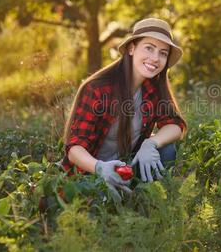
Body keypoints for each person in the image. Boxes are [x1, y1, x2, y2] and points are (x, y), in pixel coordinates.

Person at [61, 18, 187, 200]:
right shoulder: (97, 88)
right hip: (91, 171)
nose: (155, 58)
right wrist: (100, 168)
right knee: (95, 210)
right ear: (131, 48)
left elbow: (175, 125)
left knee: (166, 149)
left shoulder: (153, 89)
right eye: (149, 48)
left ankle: (151, 201)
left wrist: (150, 143)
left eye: (163, 53)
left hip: (127, 167)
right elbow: (74, 149)